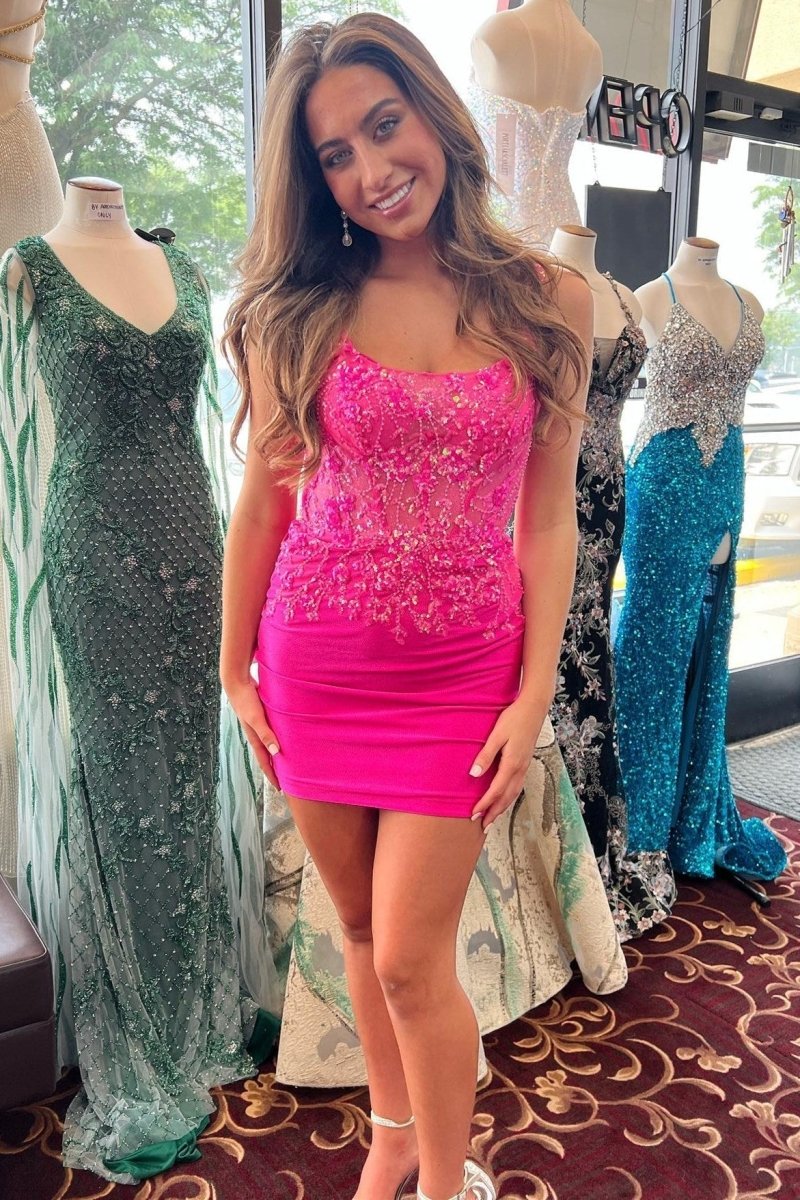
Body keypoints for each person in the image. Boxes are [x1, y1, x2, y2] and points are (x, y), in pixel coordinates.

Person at [222, 15, 591, 1200]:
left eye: (385, 127)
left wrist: (530, 696)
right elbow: (262, 506)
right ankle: (390, 1135)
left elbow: (546, 522)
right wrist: (233, 670)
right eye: (335, 155)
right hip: (315, 667)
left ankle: (443, 1181)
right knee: (359, 936)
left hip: (461, 680)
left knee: (411, 963)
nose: (372, 170)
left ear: (434, 111)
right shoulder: (298, 309)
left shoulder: (546, 299)